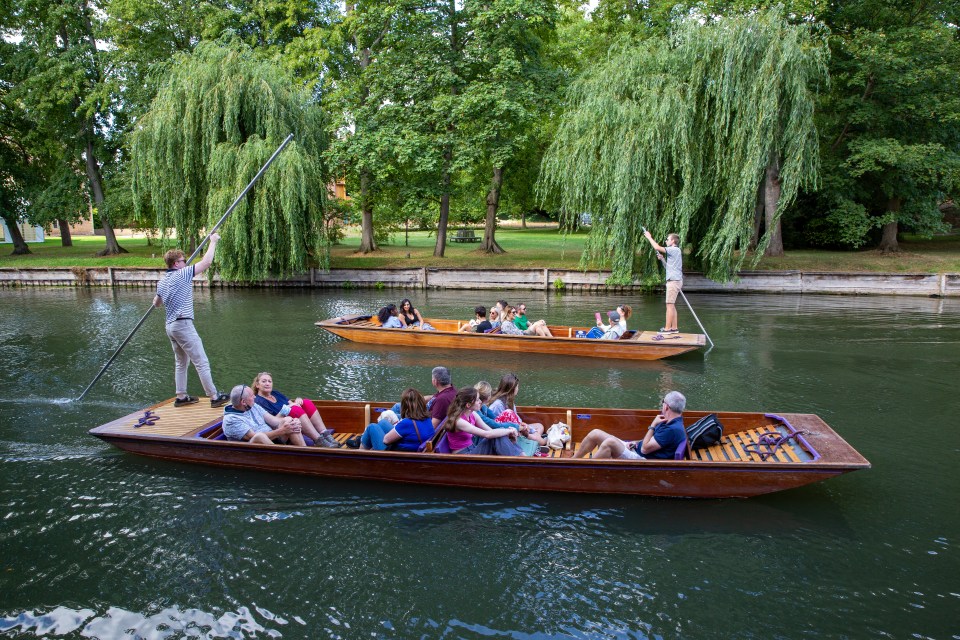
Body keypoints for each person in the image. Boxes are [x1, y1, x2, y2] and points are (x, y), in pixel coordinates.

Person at [153, 234, 229, 408]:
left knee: (181, 362)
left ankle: (181, 396)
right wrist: (213, 241)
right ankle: (214, 396)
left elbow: (156, 304)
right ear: (176, 264)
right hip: (183, 324)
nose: (185, 262)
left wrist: (158, 299)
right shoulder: (182, 274)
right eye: (183, 260)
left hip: (170, 326)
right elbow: (206, 262)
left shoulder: (163, 282)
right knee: (201, 362)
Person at [572, 391, 687, 460]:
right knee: (595, 433)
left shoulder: (671, 430)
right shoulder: (672, 421)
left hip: (643, 459)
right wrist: (636, 443)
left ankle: (585, 470)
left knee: (609, 443)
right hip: (635, 449)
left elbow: (645, 449)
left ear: (666, 407)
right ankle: (572, 462)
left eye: (663, 402)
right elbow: (652, 442)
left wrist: (652, 425)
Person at [251, 372, 342, 448]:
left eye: (269, 381)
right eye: (264, 381)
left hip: (295, 419)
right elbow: (271, 421)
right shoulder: (258, 401)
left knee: (306, 402)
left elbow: (290, 403)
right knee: (294, 409)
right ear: (257, 385)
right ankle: (318, 440)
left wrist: (298, 401)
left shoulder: (276, 393)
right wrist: (287, 409)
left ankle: (326, 434)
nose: (267, 383)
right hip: (281, 428)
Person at [444, 387, 521, 455]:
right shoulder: (459, 421)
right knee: (497, 435)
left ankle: (519, 458)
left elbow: (490, 430)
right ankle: (518, 461)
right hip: (463, 456)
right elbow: (487, 434)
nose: (480, 401)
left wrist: (508, 433)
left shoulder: (473, 414)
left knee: (498, 435)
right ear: (468, 405)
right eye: (477, 400)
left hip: (473, 449)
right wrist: (509, 430)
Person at [221, 384, 305, 446]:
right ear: (243, 402)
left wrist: (293, 421)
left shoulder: (252, 406)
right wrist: (282, 431)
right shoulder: (231, 419)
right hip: (252, 450)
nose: (254, 397)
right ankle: (282, 459)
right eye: (251, 396)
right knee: (259, 436)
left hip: (271, 439)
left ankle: (306, 452)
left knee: (289, 420)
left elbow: (274, 421)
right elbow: (253, 437)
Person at [362, 388, 436, 451]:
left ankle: (359, 453)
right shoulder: (427, 418)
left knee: (371, 427)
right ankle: (368, 441)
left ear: (404, 406)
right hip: (410, 445)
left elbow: (386, 440)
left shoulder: (407, 423)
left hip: (394, 456)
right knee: (383, 423)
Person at [487, 373, 546, 444]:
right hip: (509, 430)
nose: (518, 389)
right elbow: (497, 424)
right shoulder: (497, 405)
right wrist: (527, 430)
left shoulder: (509, 401)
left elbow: (517, 419)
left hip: (518, 426)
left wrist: (530, 429)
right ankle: (537, 440)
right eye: (517, 387)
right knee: (542, 441)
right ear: (513, 389)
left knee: (540, 426)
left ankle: (534, 440)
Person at [644, 230, 682, 334]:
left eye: (667, 239)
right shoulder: (675, 251)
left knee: (669, 305)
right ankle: (674, 328)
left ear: (673, 241)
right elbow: (668, 267)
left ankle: (667, 329)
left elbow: (657, 247)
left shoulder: (674, 249)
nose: (666, 241)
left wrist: (649, 237)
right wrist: (662, 259)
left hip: (673, 281)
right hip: (675, 280)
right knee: (672, 305)